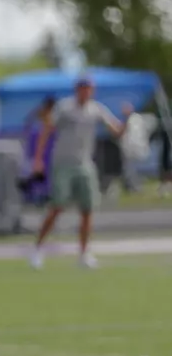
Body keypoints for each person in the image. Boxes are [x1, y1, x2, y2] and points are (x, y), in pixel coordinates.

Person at [30, 76, 127, 270]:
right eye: (83, 88)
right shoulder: (65, 108)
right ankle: (38, 249)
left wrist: (127, 118)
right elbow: (47, 130)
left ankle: (84, 253)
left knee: (87, 209)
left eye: (89, 88)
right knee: (57, 206)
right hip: (63, 163)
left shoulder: (96, 109)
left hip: (84, 163)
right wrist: (38, 159)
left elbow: (116, 131)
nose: (86, 92)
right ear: (77, 90)